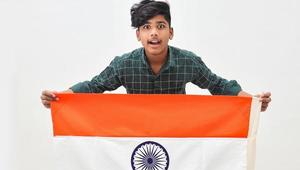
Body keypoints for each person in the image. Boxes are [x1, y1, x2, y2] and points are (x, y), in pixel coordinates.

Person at [41, 0, 271, 111]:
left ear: (170, 33)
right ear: (138, 35)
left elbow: (218, 85)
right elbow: (94, 86)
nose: (154, 33)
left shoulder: (187, 61)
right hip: (135, 135)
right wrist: (60, 97)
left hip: (177, 135)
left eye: (160, 26)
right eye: (146, 27)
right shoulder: (124, 65)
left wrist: (252, 102)